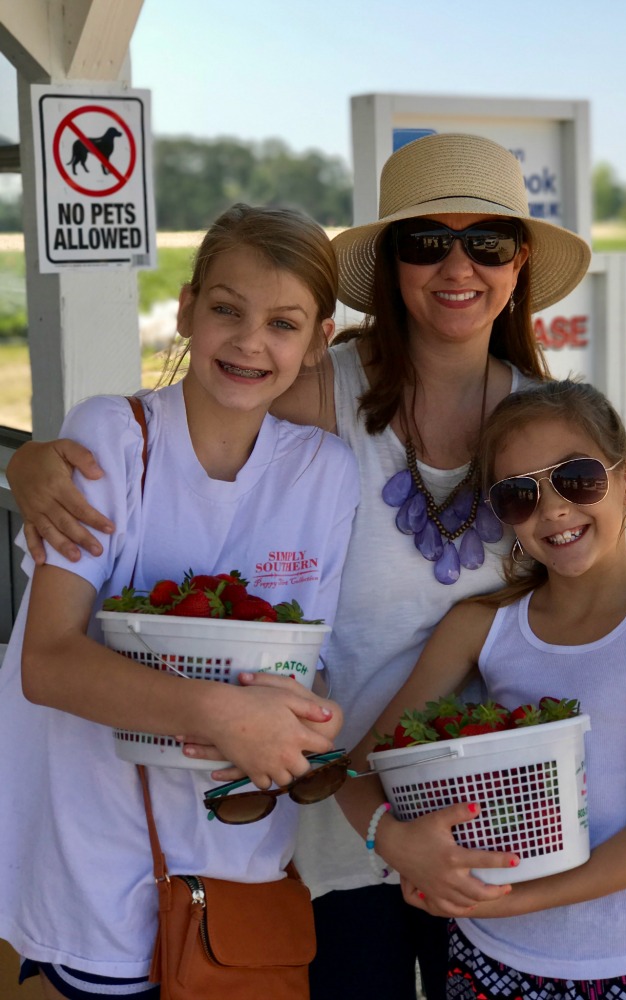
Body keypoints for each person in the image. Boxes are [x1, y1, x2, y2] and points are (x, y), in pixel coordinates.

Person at [7, 135, 626, 1000]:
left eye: (489, 243)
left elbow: (599, 598)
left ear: (520, 264)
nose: (457, 266)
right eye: (426, 242)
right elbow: (198, 413)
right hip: (323, 820)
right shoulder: (318, 388)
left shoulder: (543, 425)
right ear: (393, 263)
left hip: (487, 820)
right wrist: (36, 463)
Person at [0, 204, 359, 999]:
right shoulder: (114, 439)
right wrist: (223, 715)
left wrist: (308, 714)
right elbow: (49, 663)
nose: (250, 341)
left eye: (283, 323)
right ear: (188, 308)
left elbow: (313, 664)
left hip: (238, 871)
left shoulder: (326, 472)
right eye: (227, 309)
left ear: (318, 342)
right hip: (93, 861)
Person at [337, 378, 626, 999]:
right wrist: (395, 842)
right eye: (518, 495)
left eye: (579, 477)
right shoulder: (480, 628)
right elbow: (357, 768)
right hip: (483, 965)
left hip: (620, 970)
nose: (554, 509)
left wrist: (509, 901)